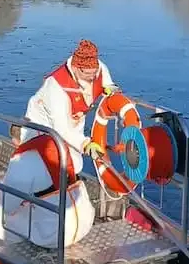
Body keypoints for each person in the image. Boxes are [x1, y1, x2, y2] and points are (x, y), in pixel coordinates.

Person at [0, 124, 95, 248]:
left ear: (16, 141)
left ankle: (12, 253)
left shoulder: (23, 159)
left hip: (55, 235)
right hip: (84, 222)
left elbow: (7, 207)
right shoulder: (61, 145)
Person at [21, 39, 117, 175]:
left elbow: (103, 73)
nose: (91, 78)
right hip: (43, 123)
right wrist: (85, 144)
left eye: (94, 73)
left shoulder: (97, 68)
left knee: (75, 162)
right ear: (76, 68)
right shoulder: (56, 87)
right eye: (87, 74)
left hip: (75, 119)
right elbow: (61, 128)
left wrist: (109, 85)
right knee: (51, 161)